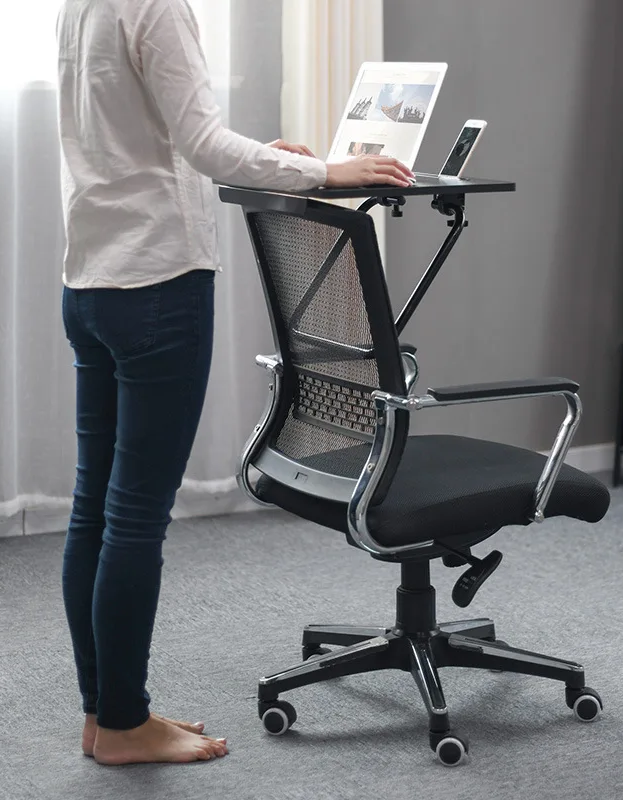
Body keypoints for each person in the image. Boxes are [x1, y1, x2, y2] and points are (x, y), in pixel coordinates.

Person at [56, 0, 413, 767]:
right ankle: (122, 725)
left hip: (90, 283)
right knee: (135, 516)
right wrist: (323, 171)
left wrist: (266, 154)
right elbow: (203, 144)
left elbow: (148, 136)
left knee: (97, 508)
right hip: (157, 286)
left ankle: (107, 715)